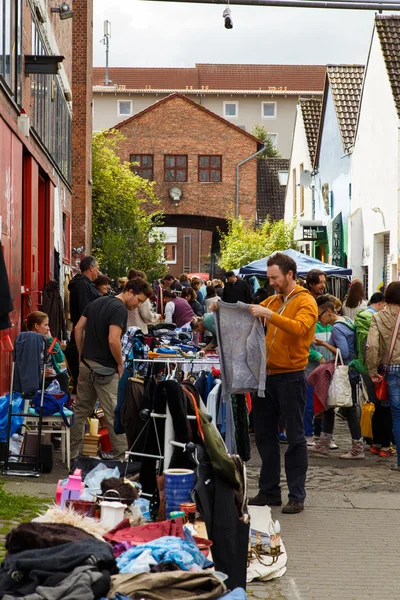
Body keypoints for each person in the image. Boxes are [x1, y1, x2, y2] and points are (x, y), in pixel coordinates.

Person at [247, 253, 318, 514]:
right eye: (269, 278)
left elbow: (300, 328)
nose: (271, 282)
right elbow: (248, 310)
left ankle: (297, 496)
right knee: (265, 436)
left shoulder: (306, 301)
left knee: (295, 438)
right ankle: (269, 491)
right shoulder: (274, 299)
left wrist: (269, 314)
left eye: (274, 277)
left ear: (289, 274)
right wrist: (222, 307)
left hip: (291, 377)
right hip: (266, 377)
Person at [70, 277, 153, 460]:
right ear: (130, 291)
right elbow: (113, 340)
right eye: (138, 300)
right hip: (106, 370)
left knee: (80, 411)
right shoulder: (119, 309)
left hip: (86, 365)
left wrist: (81, 354)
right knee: (114, 415)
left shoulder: (96, 302)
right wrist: (120, 364)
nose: (138, 305)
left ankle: (72, 456)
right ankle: (122, 459)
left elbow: (78, 328)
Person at [310, 296, 364, 459]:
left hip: (344, 372)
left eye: (320, 316)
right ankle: (324, 444)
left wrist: (323, 344)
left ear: (328, 312)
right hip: (350, 371)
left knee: (349, 409)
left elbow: (344, 352)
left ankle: (357, 448)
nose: (320, 320)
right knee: (330, 406)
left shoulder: (337, 328)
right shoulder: (347, 320)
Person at [367, 282, 400, 470]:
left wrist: (372, 371)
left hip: (392, 369)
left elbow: (372, 346)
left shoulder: (379, 317)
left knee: (397, 415)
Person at [65, 256, 100, 393]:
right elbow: (85, 311)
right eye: (96, 268)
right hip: (83, 333)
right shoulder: (82, 285)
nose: (97, 271)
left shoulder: (84, 285)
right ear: (91, 268)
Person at [24, 311, 69, 396]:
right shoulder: (27, 342)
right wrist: (40, 374)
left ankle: (64, 404)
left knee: (63, 377)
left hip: (51, 376)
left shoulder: (47, 340)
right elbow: (25, 368)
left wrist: (50, 339)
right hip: (37, 380)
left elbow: (60, 358)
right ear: (36, 326)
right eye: (45, 325)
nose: (48, 328)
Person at [126, 269, 160, 333]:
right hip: (138, 331)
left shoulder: (126, 293)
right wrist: (157, 316)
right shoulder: (142, 296)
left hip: (126, 330)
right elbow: (147, 316)